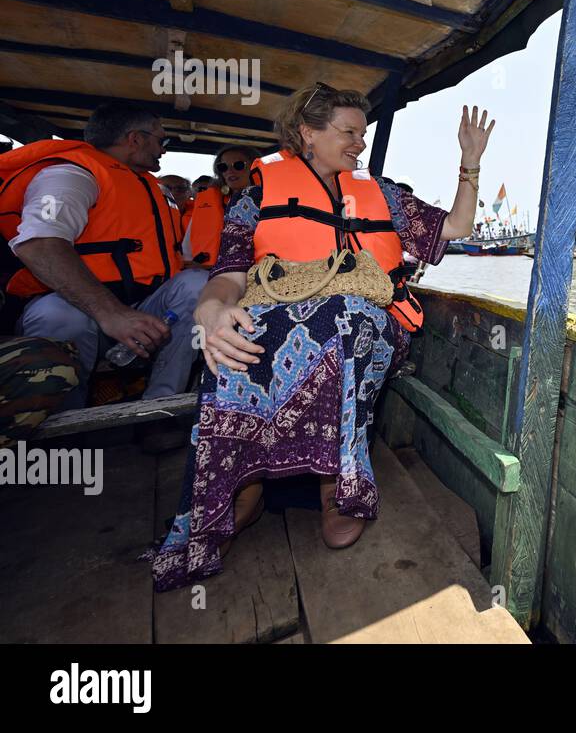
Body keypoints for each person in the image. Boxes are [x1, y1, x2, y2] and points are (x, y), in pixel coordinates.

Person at [150, 85, 487, 591]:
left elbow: (456, 225)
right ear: (308, 132)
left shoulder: (383, 192)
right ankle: (243, 487)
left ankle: (336, 486)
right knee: (235, 338)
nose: (360, 143)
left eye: (364, 133)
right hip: (280, 314)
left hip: (368, 321)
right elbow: (232, 272)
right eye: (349, 132)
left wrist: (470, 161)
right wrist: (211, 308)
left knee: (340, 318)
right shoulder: (257, 194)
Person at [0, 105, 206, 410]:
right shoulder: (71, 174)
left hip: (146, 306)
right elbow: (39, 243)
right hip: (80, 307)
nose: (162, 150)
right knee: (60, 314)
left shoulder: (152, 187)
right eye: (161, 141)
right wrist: (112, 314)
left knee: (200, 284)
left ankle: (161, 407)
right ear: (135, 139)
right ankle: (65, 426)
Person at [185, 145, 258, 268]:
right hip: (207, 271)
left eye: (238, 165)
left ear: (255, 167)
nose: (230, 171)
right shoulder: (207, 204)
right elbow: (187, 251)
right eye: (223, 167)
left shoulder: (272, 199)